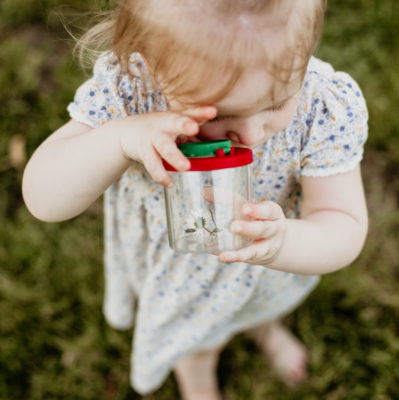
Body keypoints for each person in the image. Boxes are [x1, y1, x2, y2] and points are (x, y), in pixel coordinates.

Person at [22, 0, 369, 398]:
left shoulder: (321, 109)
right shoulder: (129, 95)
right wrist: (118, 138)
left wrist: (283, 242)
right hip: (181, 278)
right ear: (152, 66)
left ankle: (265, 329)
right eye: (218, 116)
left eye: (276, 103)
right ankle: (199, 381)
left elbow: (342, 220)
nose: (253, 135)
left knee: (264, 308)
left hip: (271, 268)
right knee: (198, 342)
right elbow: (42, 199)